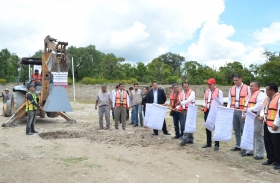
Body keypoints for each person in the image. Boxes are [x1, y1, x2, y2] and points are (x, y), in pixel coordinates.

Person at [242, 81, 266, 159]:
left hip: (257, 117)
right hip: (249, 117)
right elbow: (245, 106)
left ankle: (260, 153)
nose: (250, 87)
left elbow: (259, 106)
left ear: (257, 87)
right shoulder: (249, 96)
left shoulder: (261, 95)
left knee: (258, 135)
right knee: (250, 134)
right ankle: (250, 151)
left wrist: (248, 110)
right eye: (250, 86)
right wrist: (244, 115)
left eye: (252, 86)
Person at [228, 74, 251, 152]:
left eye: (237, 80)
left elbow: (249, 100)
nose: (235, 82)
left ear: (241, 79)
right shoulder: (231, 89)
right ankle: (238, 145)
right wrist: (229, 109)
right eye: (234, 80)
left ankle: (245, 147)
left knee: (243, 130)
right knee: (236, 129)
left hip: (242, 111)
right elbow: (229, 100)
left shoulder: (247, 88)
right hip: (234, 110)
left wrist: (246, 111)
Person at [259, 83, 280, 170]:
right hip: (266, 123)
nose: (266, 91)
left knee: (277, 145)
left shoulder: (278, 98)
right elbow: (263, 109)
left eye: (267, 90)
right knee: (268, 142)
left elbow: (279, 113)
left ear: (272, 90)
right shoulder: (267, 99)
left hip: (275, 126)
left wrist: (276, 124)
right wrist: (262, 116)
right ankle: (270, 159)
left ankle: (278, 161)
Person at [202, 78, 223, 151]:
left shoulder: (219, 92)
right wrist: (204, 106)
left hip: (215, 112)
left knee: (216, 128)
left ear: (214, 84)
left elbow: (221, 102)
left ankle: (217, 144)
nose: (209, 85)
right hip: (207, 111)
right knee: (208, 127)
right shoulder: (207, 92)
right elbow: (204, 100)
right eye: (208, 84)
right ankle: (208, 142)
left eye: (210, 84)